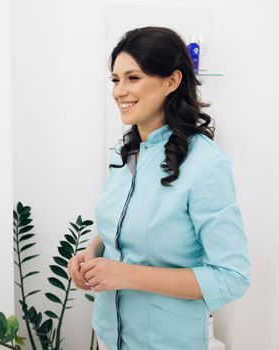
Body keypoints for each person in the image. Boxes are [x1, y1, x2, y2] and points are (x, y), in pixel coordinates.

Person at [68, 27, 250, 350]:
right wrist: (91, 253)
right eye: (115, 80)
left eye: (133, 78)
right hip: (109, 336)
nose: (119, 91)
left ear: (172, 81)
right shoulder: (123, 156)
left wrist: (126, 275)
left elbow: (231, 276)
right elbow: (123, 229)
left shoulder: (206, 164)